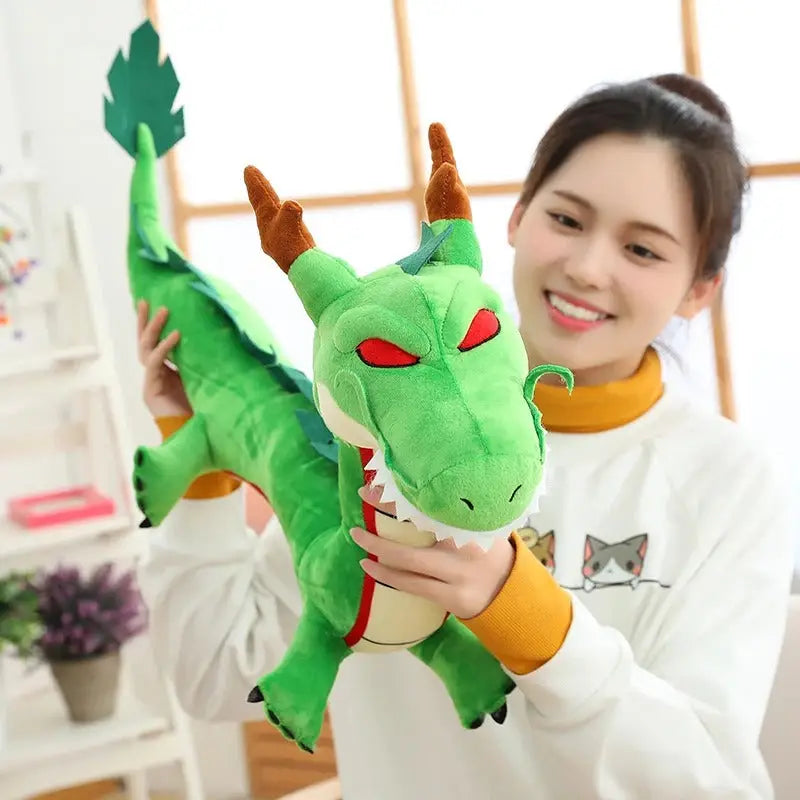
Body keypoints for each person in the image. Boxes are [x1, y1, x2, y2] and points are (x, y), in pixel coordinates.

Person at [135, 73, 793, 800]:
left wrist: (523, 613)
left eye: (642, 250)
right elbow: (215, 674)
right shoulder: (374, 420)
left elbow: (709, 783)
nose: (586, 268)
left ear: (700, 288)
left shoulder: (728, 481)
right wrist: (201, 459)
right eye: (567, 219)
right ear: (515, 217)